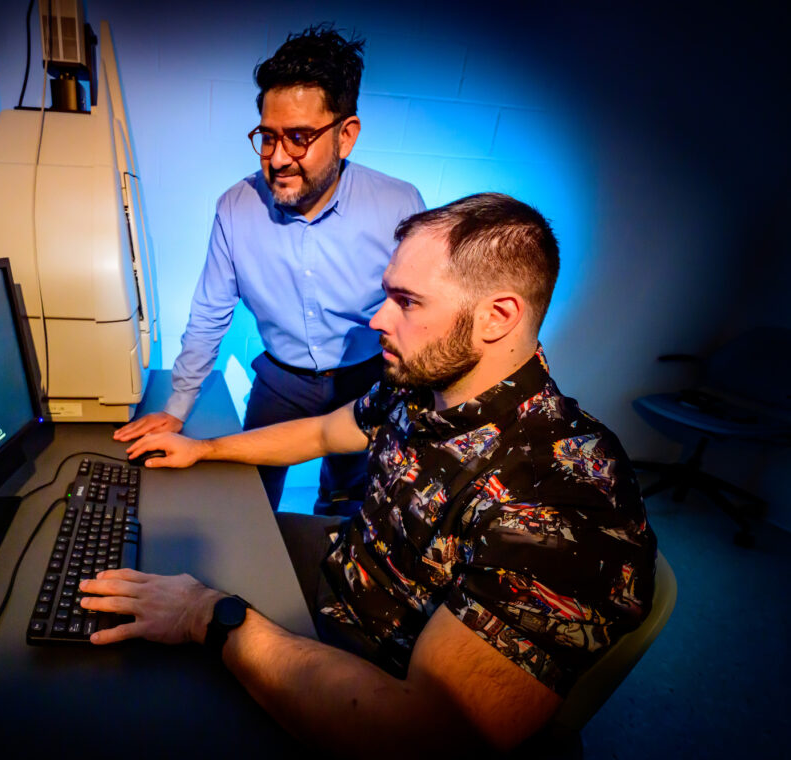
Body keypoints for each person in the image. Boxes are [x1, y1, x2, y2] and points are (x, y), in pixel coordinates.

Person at [83, 193, 658, 753]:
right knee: (170, 545)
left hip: (380, 670)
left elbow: (424, 732)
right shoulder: (423, 386)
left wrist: (209, 616)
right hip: (350, 573)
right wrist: (203, 449)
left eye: (407, 302)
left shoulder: (567, 499)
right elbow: (319, 433)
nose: (377, 318)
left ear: (497, 316)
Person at [113, 24, 426, 516]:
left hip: (367, 377)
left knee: (350, 500)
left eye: (299, 138)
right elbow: (208, 314)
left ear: (346, 136)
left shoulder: (399, 203)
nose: (278, 159)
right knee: (248, 502)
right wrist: (176, 408)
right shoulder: (235, 208)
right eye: (268, 137)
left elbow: (418, 308)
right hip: (280, 381)